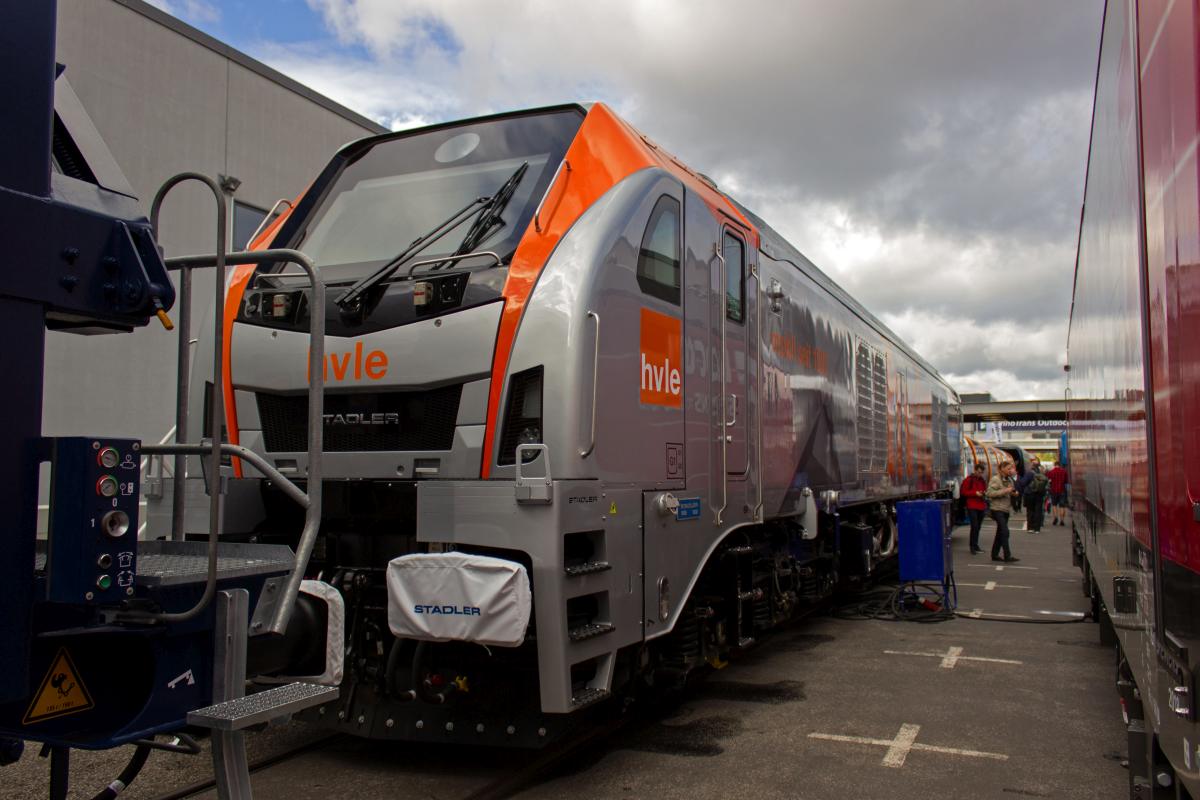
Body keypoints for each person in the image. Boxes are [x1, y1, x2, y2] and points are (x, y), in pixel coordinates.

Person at [986, 461, 1020, 562]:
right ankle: (1007, 556)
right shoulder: (995, 479)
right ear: (1002, 469)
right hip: (997, 509)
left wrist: (1014, 493)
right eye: (1008, 469)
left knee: (1001, 532)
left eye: (1011, 468)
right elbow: (989, 493)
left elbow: (1011, 491)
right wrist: (1005, 491)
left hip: (1005, 509)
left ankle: (994, 554)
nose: (1011, 470)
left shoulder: (1009, 479)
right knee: (1005, 532)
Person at [961, 462, 989, 554]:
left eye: (981, 472)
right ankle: (972, 546)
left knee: (978, 527)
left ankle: (975, 545)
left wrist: (983, 493)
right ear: (975, 470)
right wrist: (975, 493)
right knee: (975, 526)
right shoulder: (969, 480)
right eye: (979, 472)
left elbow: (985, 490)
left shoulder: (982, 480)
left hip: (980, 505)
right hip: (972, 505)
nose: (980, 474)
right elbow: (964, 492)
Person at [1023, 459, 1048, 533]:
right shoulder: (1042, 472)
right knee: (1038, 511)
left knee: (1030, 511)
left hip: (1030, 494)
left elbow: (1023, 482)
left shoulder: (1029, 473)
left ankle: (1030, 528)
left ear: (1032, 465)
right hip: (1039, 494)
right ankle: (1037, 529)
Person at [1047, 461, 1069, 526]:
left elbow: (1049, 481)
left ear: (1054, 465)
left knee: (1054, 505)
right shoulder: (1064, 472)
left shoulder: (1051, 472)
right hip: (1062, 491)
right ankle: (1062, 520)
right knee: (1062, 506)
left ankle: (1055, 518)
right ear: (1060, 465)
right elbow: (1066, 481)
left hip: (1053, 491)